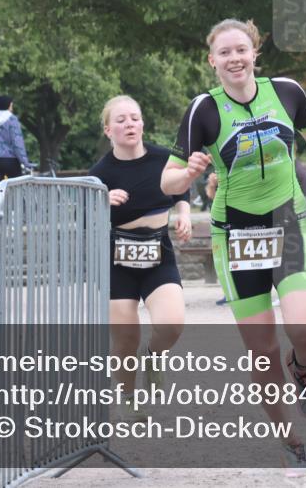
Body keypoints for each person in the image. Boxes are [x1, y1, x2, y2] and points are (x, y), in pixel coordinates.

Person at [161, 18, 306, 468]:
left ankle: (302, 367)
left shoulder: (287, 91)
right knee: (262, 346)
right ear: (212, 61)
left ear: (255, 54)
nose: (234, 59)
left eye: (241, 50)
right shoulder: (202, 111)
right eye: (224, 53)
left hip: (288, 222)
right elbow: (168, 181)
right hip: (237, 237)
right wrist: (187, 175)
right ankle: (291, 444)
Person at [90, 95, 191, 397]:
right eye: (120, 120)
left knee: (172, 325)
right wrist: (100, 200)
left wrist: (184, 214)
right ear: (108, 130)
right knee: (125, 339)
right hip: (117, 257)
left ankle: (154, 356)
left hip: (158, 250)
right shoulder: (99, 173)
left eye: (134, 118)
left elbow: (182, 187)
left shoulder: (163, 158)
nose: (129, 124)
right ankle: (129, 398)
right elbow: (82, 218)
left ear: (143, 123)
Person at [0, 95, 33, 180]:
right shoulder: (12, 119)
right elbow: (17, 143)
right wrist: (25, 162)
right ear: (9, 105)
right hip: (10, 161)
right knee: (15, 189)